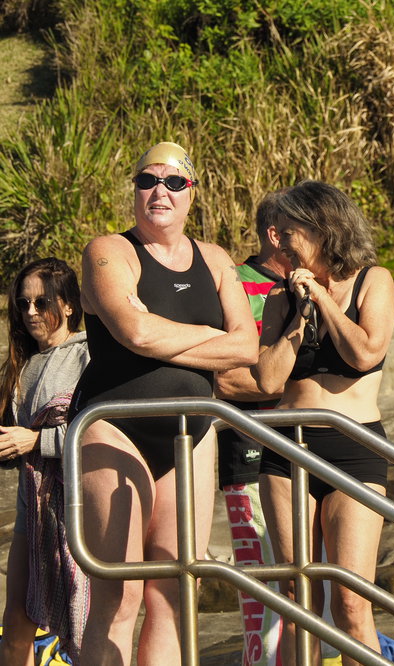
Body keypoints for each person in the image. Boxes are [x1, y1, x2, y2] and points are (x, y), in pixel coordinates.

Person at [71, 141, 258, 663]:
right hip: (115, 425)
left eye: (175, 182)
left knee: (175, 592)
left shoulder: (216, 258)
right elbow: (133, 332)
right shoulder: (108, 251)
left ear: (191, 194)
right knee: (118, 592)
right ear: (134, 190)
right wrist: (204, 337)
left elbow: (246, 348)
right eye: (148, 180)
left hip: (191, 434)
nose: (160, 191)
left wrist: (161, 332)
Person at [254, 180, 394, 666]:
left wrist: (326, 300)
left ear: (323, 229)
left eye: (290, 232)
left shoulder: (373, 280)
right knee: (299, 602)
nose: (281, 242)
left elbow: (365, 352)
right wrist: (298, 318)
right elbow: (269, 380)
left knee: (351, 601)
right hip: (285, 449)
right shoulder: (280, 298)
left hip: (353, 447)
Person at [214, 189, 292, 666]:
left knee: (314, 587)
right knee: (262, 596)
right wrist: (279, 383)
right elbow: (222, 377)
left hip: (309, 454)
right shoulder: (235, 284)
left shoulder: (314, 285)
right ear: (274, 235)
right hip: (249, 454)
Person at [0, 258, 89, 664]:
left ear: (69, 304)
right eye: (23, 304)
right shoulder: (19, 364)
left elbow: (100, 430)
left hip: (80, 511)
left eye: (41, 301)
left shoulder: (89, 356)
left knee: (87, 624)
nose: (31, 312)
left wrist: (37, 439)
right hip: (30, 514)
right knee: (15, 624)